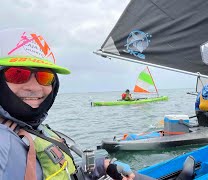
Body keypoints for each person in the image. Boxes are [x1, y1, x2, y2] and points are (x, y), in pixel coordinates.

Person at [0, 28, 138, 180]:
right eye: (17, 75)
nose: (34, 87)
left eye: (44, 77)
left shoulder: (31, 127)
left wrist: (101, 166)